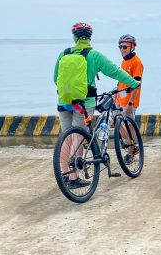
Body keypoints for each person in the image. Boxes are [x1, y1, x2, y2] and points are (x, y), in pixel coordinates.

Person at [53, 22, 140, 187]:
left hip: (63, 101)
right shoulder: (93, 55)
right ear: (90, 37)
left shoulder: (63, 54)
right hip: (84, 103)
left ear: (74, 37)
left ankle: (65, 175)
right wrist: (133, 83)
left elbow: (55, 78)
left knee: (67, 137)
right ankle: (73, 178)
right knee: (79, 137)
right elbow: (114, 71)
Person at [116, 34, 143, 118]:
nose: (122, 49)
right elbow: (121, 80)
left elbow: (137, 85)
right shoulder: (124, 61)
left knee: (130, 127)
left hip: (129, 102)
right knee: (118, 124)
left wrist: (130, 103)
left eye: (125, 47)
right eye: (120, 47)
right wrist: (115, 96)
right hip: (120, 99)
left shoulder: (136, 62)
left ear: (132, 47)